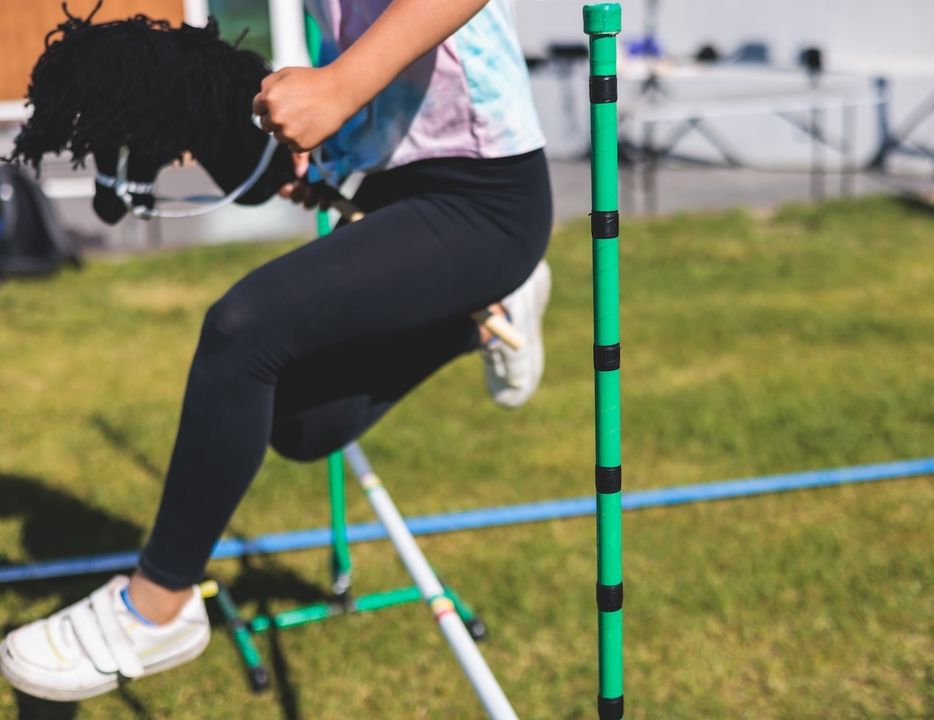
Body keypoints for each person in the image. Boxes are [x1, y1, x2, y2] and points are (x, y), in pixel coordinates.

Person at [0, 0, 551, 701]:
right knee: (302, 426)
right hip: (390, 187)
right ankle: (484, 317)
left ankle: (157, 605)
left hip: (486, 193)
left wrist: (339, 87)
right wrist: (325, 132)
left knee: (243, 331)